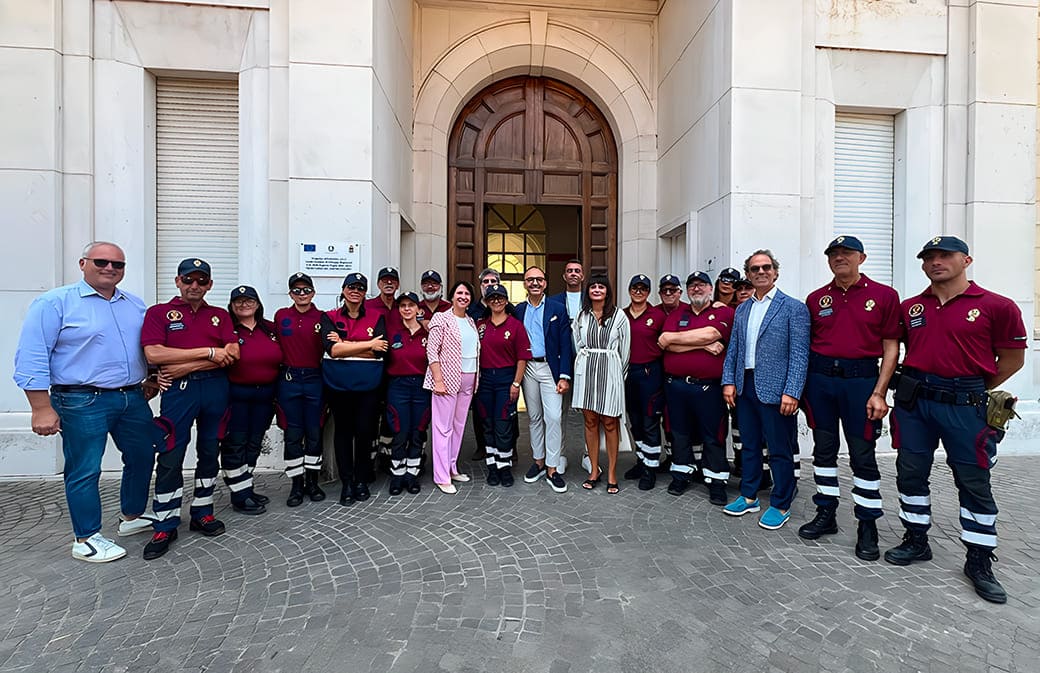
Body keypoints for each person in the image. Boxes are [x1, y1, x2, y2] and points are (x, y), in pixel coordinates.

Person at [883, 236, 1025, 604]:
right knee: (910, 472)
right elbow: (893, 348)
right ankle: (916, 539)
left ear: (966, 260)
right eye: (929, 257)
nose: (936, 262)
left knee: (973, 481)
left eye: (945, 255)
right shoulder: (911, 307)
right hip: (915, 404)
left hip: (965, 406)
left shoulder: (997, 306)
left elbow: (1012, 359)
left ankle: (979, 559)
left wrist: (972, 388)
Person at [13, 241, 159, 562]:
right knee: (85, 468)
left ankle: (131, 516)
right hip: (80, 400)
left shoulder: (134, 304)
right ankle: (86, 538)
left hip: (131, 397)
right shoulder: (54, 303)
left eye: (117, 264)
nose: (110, 268)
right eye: (101, 262)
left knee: (142, 456)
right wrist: (40, 408)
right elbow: (32, 355)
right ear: (83, 264)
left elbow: (144, 347)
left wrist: (150, 377)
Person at [797, 236, 900, 561]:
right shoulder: (816, 299)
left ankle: (867, 524)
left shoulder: (884, 296)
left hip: (861, 383)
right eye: (834, 254)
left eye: (847, 253)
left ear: (862, 258)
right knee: (824, 450)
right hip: (821, 382)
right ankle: (826, 512)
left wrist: (880, 392)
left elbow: (891, 348)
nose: (839, 258)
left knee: (862, 454)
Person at [140, 258, 240, 559]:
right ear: (178, 281)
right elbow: (154, 353)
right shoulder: (159, 313)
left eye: (201, 280)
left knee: (209, 451)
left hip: (215, 388)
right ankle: (165, 522)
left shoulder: (220, 315)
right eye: (188, 279)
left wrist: (184, 365)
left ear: (209, 284)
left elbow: (232, 353)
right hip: (179, 392)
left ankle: (202, 511)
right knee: (171, 453)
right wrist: (209, 352)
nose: (194, 285)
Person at [721, 250, 810, 530]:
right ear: (748, 274)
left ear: (775, 272)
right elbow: (734, 349)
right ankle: (749, 496)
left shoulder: (793, 308)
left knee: (779, 449)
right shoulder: (742, 309)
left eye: (766, 267)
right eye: (755, 269)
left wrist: (792, 391)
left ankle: (781, 503)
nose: (761, 272)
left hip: (776, 389)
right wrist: (728, 381)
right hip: (745, 386)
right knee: (749, 445)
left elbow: (799, 354)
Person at [658, 272, 734, 504]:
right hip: (677, 386)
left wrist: (679, 338)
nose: (697, 289)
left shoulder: (723, 312)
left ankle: (716, 480)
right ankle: (681, 474)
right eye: (692, 286)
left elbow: (713, 333)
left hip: (708, 388)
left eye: (702, 285)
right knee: (679, 433)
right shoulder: (677, 313)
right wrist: (703, 345)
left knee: (713, 435)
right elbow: (665, 342)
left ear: (711, 288)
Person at [321, 272, 388, 506]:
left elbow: (380, 351)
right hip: (338, 386)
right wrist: (367, 344)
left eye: (360, 288)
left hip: (368, 387)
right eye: (351, 287)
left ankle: (361, 480)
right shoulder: (329, 316)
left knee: (364, 433)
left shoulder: (377, 317)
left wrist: (345, 344)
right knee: (343, 433)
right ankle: (347, 482)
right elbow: (332, 350)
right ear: (343, 290)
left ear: (365, 293)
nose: (355, 291)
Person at [220, 285, 282, 516]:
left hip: (265, 396)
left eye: (249, 301)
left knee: (254, 443)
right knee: (235, 444)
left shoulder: (270, 329)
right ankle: (239, 496)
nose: (244, 305)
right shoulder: (226, 330)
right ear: (231, 305)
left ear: (257, 304)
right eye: (238, 301)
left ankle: (246, 487)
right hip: (236, 396)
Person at [514, 266, 574, 493]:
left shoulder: (557, 308)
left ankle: (552, 468)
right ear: (525, 283)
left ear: (545, 283)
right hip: (529, 367)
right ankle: (538, 462)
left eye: (539, 279)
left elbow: (566, 345)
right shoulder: (519, 310)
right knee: (534, 417)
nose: (535, 283)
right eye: (530, 280)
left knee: (554, 418)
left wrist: (564, 376)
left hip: (550, 368)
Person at [573, 275, 631, 494]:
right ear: (588, 291)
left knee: (610, 422)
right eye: (593, 287)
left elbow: (625, 349)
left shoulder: (619, 316)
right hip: (587, 371)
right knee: (590, 421)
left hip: (610, 372)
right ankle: (594, 470)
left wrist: (618, 376)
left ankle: (612, 473)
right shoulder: (582, 315)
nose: (597, 290)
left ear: (608, 291)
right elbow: (578, 343)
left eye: (601, 287)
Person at [274, 272, 326, 507]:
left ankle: (312, 482)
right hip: (289, 379)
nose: (301, 294)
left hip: (315, 379)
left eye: (306, 290)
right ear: (290, 293)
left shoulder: (322, 317)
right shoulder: (281, 316)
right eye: (297, 290)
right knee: (293, 434)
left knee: (314, 433)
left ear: (313, 293)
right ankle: (296, 485)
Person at [424, 281, 480, 494]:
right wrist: (438, 380)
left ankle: (452, 467)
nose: (463, 296)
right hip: (446, 380)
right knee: (443, 428)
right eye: (459, 292)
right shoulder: (441, 318)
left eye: (467, 293)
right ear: (452, 296)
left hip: (468, 378)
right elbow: (432, 351)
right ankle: (441, 476)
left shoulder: (471, 321)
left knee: (458, 426)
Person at [475, 283, 531, 487]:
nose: (496, 301)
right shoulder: (480, 326)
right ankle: (492, 467)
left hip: (506, 379)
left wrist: (516, 383)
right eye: (492, 298)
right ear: (487, 302)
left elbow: (522, 358)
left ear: (506, 301)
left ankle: (504, 467)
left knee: (503, 424)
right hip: (485, 380)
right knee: (488, 424)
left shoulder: (516, 326)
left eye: (500, 297)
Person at [384, 292, 431, 495]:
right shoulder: (392, 332)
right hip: (398, 386)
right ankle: (397, 474)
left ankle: (412, 474)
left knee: (417, 431)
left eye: (411, 305)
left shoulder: (427, 333)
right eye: (402, 305)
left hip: (421, 386)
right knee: (400, 431)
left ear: (418, 309)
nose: (406, 309)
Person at [622, 274, 665, 489]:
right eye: (635, 288)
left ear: (648, 292)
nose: (638, 292)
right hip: (629, 373)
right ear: (629, 290)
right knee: (635, 421)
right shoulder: (621, 315)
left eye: (643, 288)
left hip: (650, 373)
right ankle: (641, 460)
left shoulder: (657, 315)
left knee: (650, 422)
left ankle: (651, 468)